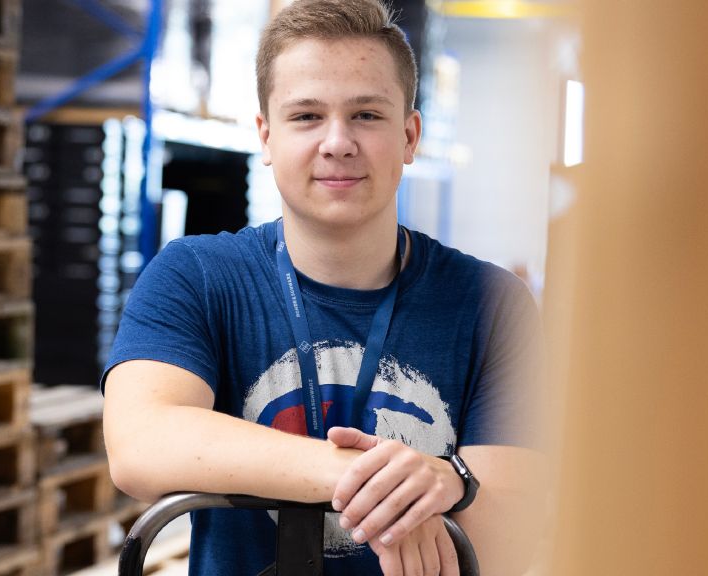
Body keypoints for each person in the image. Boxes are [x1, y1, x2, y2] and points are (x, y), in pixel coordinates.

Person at [102, 0, 547, 574]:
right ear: (266, 136)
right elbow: (142, 444)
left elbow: (502, 539)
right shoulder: (197, 276)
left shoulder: (492, 305)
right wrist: (379, 481)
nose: (337, 141)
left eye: (366, 114)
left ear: (409, 136)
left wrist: (447, 485)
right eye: (307, 116)